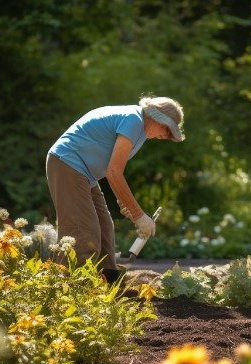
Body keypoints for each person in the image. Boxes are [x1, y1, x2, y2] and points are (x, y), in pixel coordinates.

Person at [45, 96, 184, 283]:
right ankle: (69, 291)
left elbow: (114, 169)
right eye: (167, 130)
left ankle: (107, 288)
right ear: (157, 118)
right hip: (67, 163)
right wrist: (139, 215)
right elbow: (114, 172)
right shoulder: (134, 120)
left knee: (104, 230)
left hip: (85, 173)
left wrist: (125, 203)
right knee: (83, 233)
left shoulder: (140, 130)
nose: (165, 136)